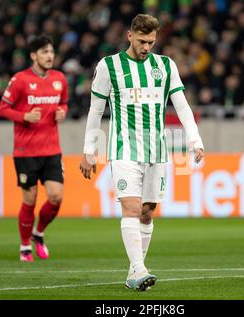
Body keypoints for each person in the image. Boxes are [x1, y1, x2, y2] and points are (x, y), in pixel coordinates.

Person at [79, 14, 204, 291]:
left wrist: (195, 139)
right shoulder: (109, 66)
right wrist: (89, 150)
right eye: (142, 41)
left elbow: (181, 105)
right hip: (124, 149)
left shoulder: (165, 65)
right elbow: (96, 110)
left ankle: (134, 270)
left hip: (157, 150)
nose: (147, 47)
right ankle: (139, 269)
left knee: (147, 212)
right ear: (130, 35)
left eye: (151, 42)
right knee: (131, 208)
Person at [0, 35, 68, 262]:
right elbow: (2, 108)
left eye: (51, 51)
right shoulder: (20, 80)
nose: (49, 56)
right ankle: (25, 245)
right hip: (26, 151)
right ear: (33, 55)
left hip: (52, 149)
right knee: (30, 199)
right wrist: (24, 116)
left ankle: (39, 233)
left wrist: (62, 112)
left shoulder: (59, 79)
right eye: (44, 52)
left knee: (56, 197)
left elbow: (64, 102)